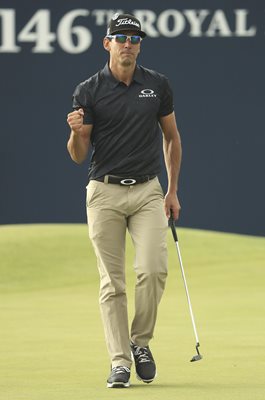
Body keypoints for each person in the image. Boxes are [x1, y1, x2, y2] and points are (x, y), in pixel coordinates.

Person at [67, 13, 182, 389]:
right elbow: (79, 154)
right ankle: (119, 362)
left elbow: (171, 138)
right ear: (107, 43)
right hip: (104, 192)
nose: (128, 44)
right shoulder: (89, 90)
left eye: (134, 38)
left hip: (148, 190)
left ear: (140, 45)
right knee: (112, 283)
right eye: (121, 37)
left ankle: (140, 343)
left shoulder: (157, 85)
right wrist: (75, 134)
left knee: (152, 270)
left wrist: (172, 189)